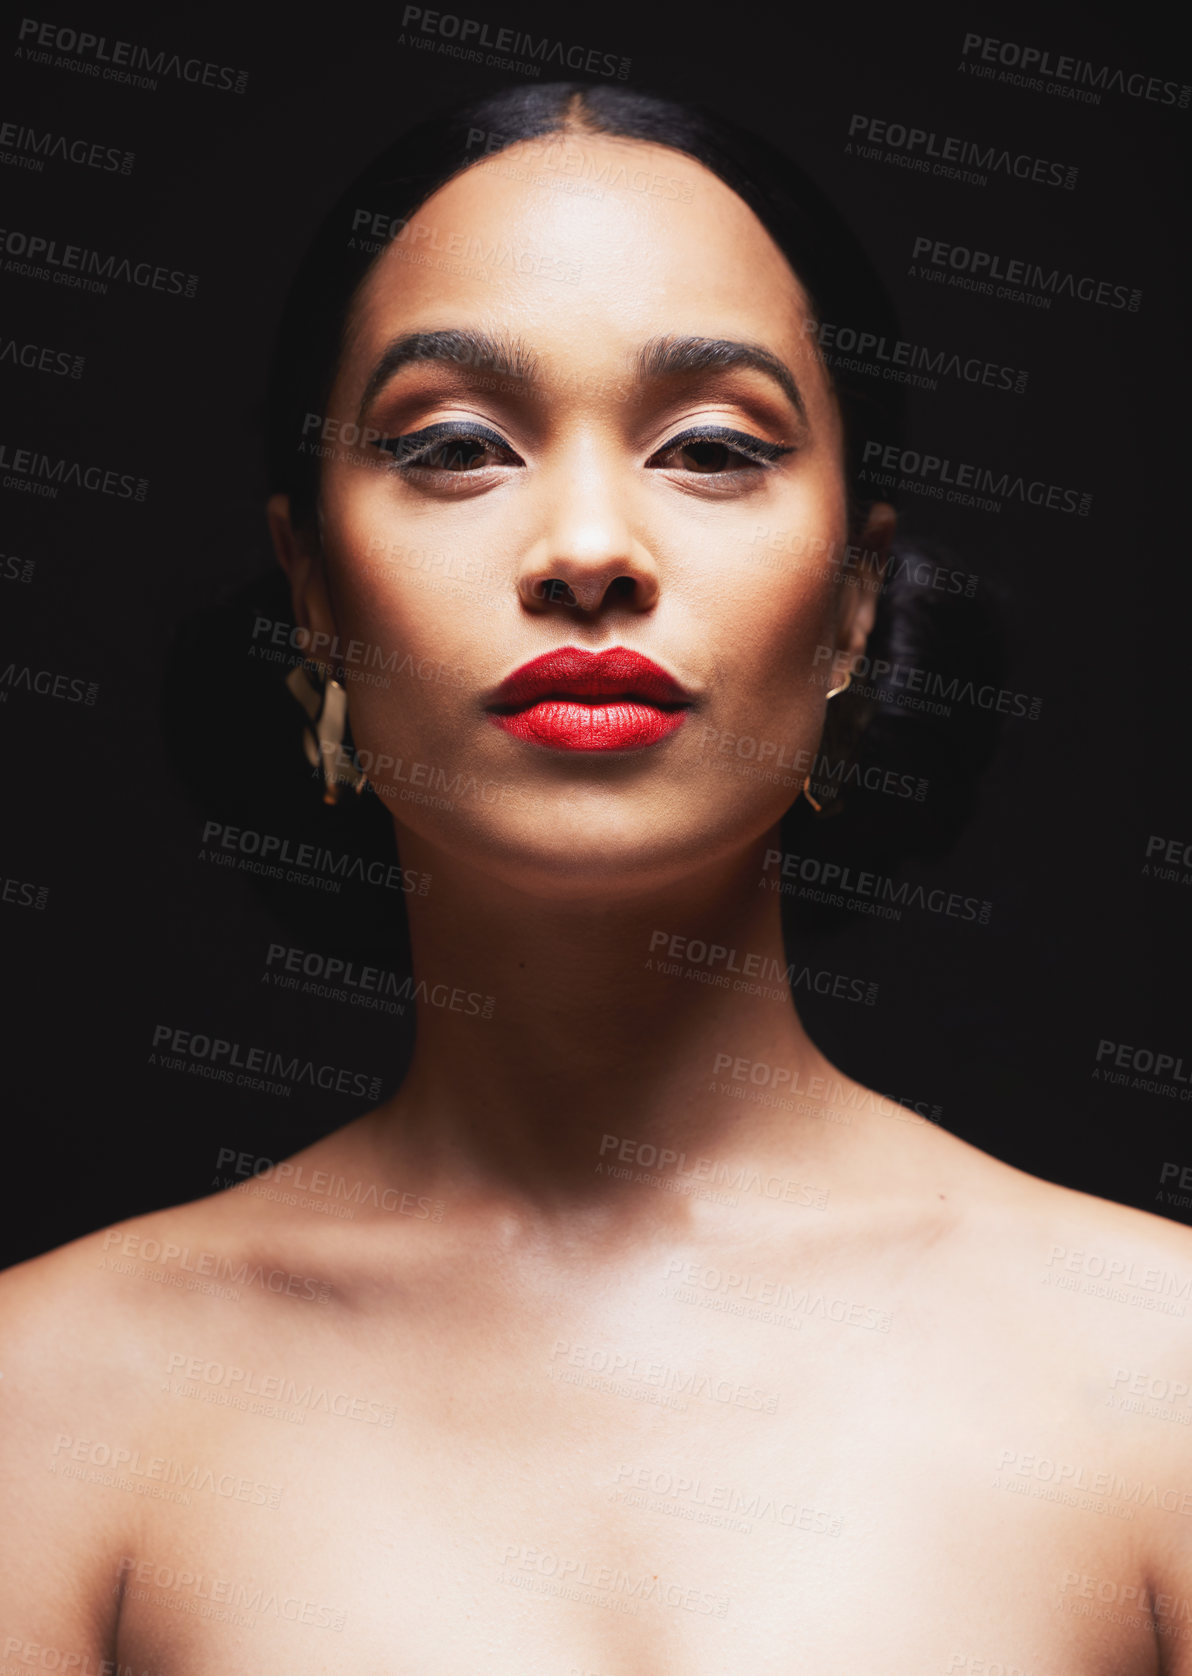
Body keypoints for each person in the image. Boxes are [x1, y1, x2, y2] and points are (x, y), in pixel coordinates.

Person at [2, 82, 1189, 1673]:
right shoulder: (47, 1404)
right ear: (312, 595)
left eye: (710, 448)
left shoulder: (1160, 1375)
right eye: (454, 446)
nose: (586, 546)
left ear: (853, 606)